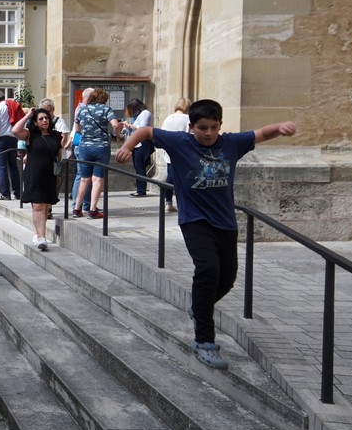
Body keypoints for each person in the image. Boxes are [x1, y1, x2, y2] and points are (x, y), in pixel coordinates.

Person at [117, 99, 297, 370]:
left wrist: (280, 127)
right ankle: (204, 340)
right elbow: (147, 132)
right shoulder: (181, 142)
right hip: (194, 220)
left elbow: (260, 133)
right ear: (191, 127)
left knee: (228, 278)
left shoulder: (231, 144)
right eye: (203, 128)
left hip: (224, 222)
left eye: (214, 127)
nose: (209, 133)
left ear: (221, 126)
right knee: (208, 269)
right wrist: (127, 146)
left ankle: (199, 307)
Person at [13, 107, 62, 250]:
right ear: (35, 122)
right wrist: (27, 116)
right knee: (38, 206)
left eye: (46, 118)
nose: (44, 121)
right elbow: (15, 130)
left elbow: (58, 155)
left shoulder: (55, 136)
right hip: (34, 174)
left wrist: (58, 174)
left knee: (45, 206)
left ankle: (38, 233)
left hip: (49, 174)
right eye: (40, 119)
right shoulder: (30, 134)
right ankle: (41, 237)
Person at [73, 89, 121, 219]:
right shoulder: (106, 109)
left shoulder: (81, 110)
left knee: (84, 178)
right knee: (97, 179)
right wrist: (116, 136)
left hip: (84, 147)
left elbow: (77, 129)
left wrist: (87, 136)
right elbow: (115, 125)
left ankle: (77, 208)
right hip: (101, 147)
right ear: (104, 98)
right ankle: (93, 210)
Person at [0, 90, 21, 200]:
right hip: (13, 139)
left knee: (1, 167)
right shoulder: (11, 106)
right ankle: (18, 192)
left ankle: (5, 193)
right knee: (13, 167)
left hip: (0, 140)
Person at [160, 98, 191, 213]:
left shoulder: (168, 118)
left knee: (170, 177)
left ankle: (168, 202)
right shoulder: (188, 119)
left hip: (169, 152)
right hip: (184, 154)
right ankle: (182, 203)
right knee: (182, 180)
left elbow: (162, 135)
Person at [121, 99, 155, 197]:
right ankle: (139, 189)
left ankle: (141, 190)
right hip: (136, 144)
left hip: (142, 143)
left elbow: (142, 128)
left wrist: (129, 125)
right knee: (138, 167)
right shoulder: (139, 115)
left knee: (140, 168)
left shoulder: (145, 113)